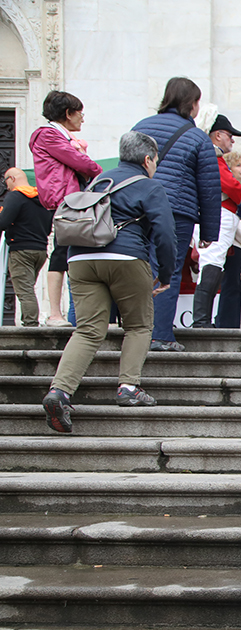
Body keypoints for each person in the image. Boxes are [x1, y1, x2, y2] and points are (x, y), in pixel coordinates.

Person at [41, 132, 176, 433]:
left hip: (80, 259)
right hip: (126, 258)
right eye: (156, 161)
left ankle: (59, 392)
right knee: (139, 325)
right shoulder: (149, 185)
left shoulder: (97, 182)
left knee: (88, 330)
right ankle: (128, 387)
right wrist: (166, 274)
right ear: (147, 160)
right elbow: (165, 233)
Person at [132, 77, 221, 352]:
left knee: (137, 269)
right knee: (165, 270)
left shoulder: (139, 127)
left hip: (135, 209)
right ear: (192, 104)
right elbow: (209, 186)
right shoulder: (196, 136)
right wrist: (208, 233)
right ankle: (159, 334)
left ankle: (135, 331)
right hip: (175, 212)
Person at [29, 90, 102, 326]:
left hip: (70, 200)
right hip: (65, 201)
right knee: (62, 253)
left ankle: (75, 313)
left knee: (71, 253)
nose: (82, 118)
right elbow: (81, 163)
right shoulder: (49, 135)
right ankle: (54, 314)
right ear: (68, 113)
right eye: (80, 112)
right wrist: (95, 169)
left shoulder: (58, 136)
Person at [192, 115, 241, 329]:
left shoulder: (211, 155)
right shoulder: (210, 156)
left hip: (220, 213)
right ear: (217, 135)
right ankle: (201, 320)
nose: (232, 141)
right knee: (211, 263)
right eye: (229, 136)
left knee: (214, 265)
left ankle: (203, 319)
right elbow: (230, 186)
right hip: (219, 213)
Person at [0, 168, 53, 326]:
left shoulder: (15, 196)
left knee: (25, 291)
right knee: (28, 288)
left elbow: (3, 223)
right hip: (40, 250)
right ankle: (30, 322)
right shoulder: (42, 198)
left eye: (6, 181)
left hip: (21, 249)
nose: (6, 186)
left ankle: (30, 326)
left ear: (12, 179)